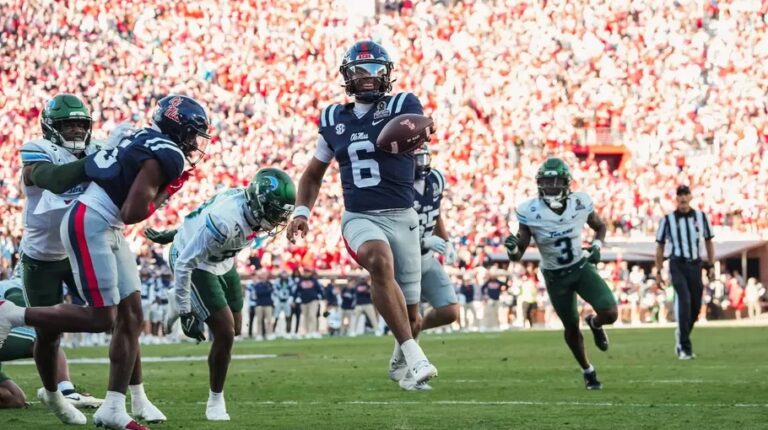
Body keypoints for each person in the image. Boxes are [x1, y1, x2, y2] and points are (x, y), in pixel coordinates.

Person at [0, 94, 210, 429]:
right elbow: (54, 180)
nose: (75, 130)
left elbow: (126, 190)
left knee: (127, 314)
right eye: (67, 124)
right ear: (50, 127)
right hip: (45, 254)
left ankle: (134, 396)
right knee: (49, 334)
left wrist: (121, 157)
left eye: (80, 124)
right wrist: (100, 161)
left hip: (89, 237)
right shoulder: (39, 149)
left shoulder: (101, 147)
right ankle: (54, 394)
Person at [286, 40, 437, 386]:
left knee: (412, 316)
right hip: (360, 217)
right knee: (379, 262)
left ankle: (401, 360)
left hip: (403, 216)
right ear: (347, 76)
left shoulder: (402, 103)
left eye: (375, 69)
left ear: (387, 74)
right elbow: (312, 174)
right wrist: (302, 212)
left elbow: (423, 128)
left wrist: (425, 130)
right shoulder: (333, 118)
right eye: (360, 70)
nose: (368, 76)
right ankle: (416, 357)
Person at [147, 167, 295, 421]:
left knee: (236, 328)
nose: (276, 220)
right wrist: (185, 310)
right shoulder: (225, 221)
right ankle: (215, 401)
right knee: (225, 332)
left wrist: (177, 231)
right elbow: (184, 263)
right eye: (273, 212)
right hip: (196, 263)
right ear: (258, 202)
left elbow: (199, 215)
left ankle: (179, 298)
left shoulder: (246, 203)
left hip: (223, 261)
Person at [504, 157, 618, 390]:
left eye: (556, 181)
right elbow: (518, 253)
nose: (551, 186)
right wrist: (513, 250)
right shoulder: (530, 210)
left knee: (610, 312)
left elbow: (600, 226)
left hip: (580, 267)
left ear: (567, 183)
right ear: (539, 184)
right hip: (556, 277)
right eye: (547, 182)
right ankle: (588, 371)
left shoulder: (580, 202)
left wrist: (596, 246)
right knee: (571, 326)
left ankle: (595, 323)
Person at [390, 145, 459, 390]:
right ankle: (411, 376)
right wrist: (421, 241)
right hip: (405, 260)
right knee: (413, 319)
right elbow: (394, 227)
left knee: (450, 311)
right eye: (415, 158)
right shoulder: (398, 185)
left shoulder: (436, 179)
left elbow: (435, 213)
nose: (420, 163)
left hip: (428, 259)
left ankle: (405, 338)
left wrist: (447, 242)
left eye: (423, 157)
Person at [0, 265, 103, 409]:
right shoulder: (15, 285)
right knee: (45, 338)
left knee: (14, 398)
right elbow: (16, 301)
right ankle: (67, 392)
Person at [655, 185, 715, 360]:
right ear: (676, 198)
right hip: (677, 264)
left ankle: (682, 335)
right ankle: (684, 348)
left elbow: (709, 241)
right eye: (679, 195)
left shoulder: (701, 217)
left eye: (685, 194)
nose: (682, 198)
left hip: (695, 265)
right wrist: (658, 271)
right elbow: (660, 246)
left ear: (690, 197)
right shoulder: (668, 220)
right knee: (684, 301)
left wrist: (711, 265)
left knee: (695, 307)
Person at [293, 268, 324, 339]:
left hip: (313, 300)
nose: (306, 273)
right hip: (303, 301)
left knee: (312, 316)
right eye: (305, 272)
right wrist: (294, 300)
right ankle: (307, 332)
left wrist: (323, 297)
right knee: (305, 317)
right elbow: (297, 291)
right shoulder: (301, 280)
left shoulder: (314, 280)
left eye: (308, 272)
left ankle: (313, 331)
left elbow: (319, 289)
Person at [250, 271, 275, 340]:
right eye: (262, 275)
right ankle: (259, 334)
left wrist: (264, 292)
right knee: (259, 320)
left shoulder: (269, 284)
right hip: (259, 304)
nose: (264, 276)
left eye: (265, 274)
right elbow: (258, 293)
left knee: (269, 320)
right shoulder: (257, 285)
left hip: (268, 304)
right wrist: (265, 291)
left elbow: (270, 292)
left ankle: (269, 334)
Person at [271, 271, 295, 338]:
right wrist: (275, 300)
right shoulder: (277, 282)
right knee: (276, 317)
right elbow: (274, 291)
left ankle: (288, 332)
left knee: (288, 317)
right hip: (279, 301)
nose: (284, 276)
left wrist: (290, 300)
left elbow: (293, 292)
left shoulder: (290, 282)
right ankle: (273, 332)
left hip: (287, 301)